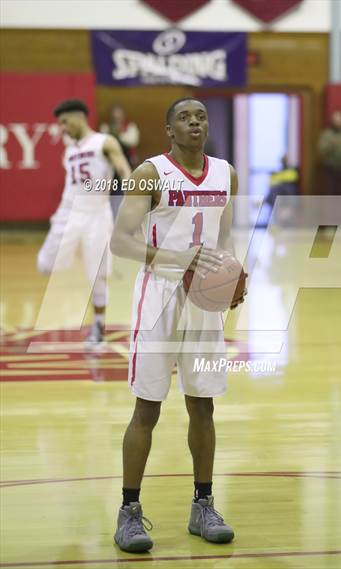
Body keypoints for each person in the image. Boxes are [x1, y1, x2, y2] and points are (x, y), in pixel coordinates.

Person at [110, 97, 246, 553]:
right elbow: (121, 242)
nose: (194, 122)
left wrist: (229, 274)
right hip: (160, 296)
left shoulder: (226, 173)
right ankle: (129, 512)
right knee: (147, 408)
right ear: (168, 129)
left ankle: (203, 504)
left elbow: (224, 237)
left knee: (202, 406)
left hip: (203, 300)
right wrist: (178, 259)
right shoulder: (150, 172)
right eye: (184, 117)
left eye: (201, 116)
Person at [37, 99, 132, 346]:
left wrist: (133, 193)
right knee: (44, 264)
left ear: (78, 117)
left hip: (97, 213)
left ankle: (98, 326)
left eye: (65, 122)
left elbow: (123, 168)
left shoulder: (104, 141)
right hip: (68, 212)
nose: (63, 128)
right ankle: (76, 266)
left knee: (98, 276)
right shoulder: (69, 150)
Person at [318, 110, 341, 195]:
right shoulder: (327, 134)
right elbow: (322, 150)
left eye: (339, 121)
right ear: (332, 122)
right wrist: (332, 145)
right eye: (336, 121)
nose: (337, 123)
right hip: (330, 169)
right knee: (330, 193)